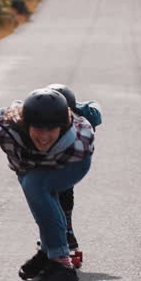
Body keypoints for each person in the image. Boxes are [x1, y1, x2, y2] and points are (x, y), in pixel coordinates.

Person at [0, 87, 97, 281]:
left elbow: (44, 178)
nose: (44, 136)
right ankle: (48, 253)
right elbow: (20, 166)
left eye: (51, 129)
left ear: (62, 126)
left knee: (36, 185)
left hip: (73, 164)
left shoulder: (78, 143)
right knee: (34, 189)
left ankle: (61, 265)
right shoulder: (6, 129)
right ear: (26, 124)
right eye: (38, 128)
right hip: (32, 163)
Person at [45, 83, 103, 265]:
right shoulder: (40, 112)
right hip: (48, 158)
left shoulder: (84, 114)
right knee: (51, 197)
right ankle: (61, 236)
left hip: (73, 158)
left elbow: (95, 110)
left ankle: (65, 235)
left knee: (61, 194)